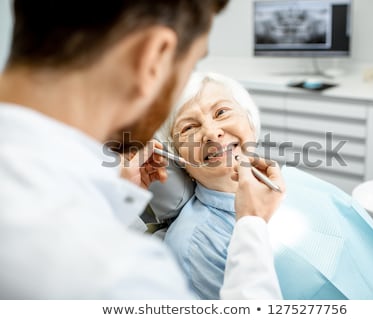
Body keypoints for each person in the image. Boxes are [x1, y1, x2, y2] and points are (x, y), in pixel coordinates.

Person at [0, 0, 286, 299]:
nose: (212, 132)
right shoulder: (120, 275)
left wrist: (117, 194)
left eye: (222, 112)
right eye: (193, 64)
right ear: (154, 57)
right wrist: (252, 224)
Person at [157, 71, 373, 300]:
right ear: (179, 158)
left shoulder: (301, 184)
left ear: (249, 121)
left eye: (222, 111)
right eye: (189, 128)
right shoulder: (193, 245)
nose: (211, 132)